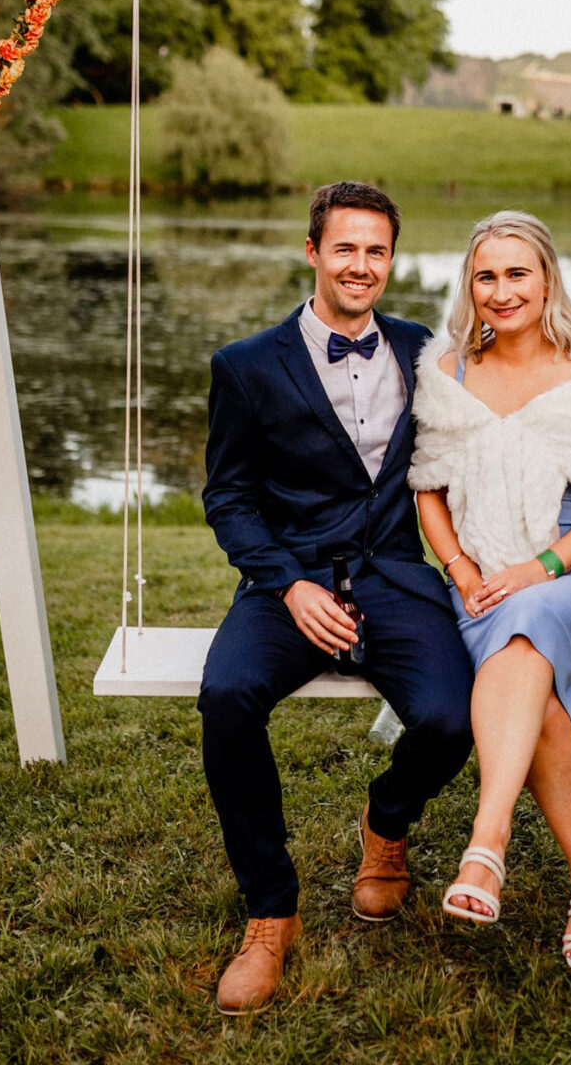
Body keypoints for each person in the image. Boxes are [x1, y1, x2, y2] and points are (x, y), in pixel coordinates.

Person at [200, 180, 474, 1016]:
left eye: (377, 250)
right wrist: (286, 584)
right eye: (345, 248)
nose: (361, 265)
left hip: (394, 578)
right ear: (313, 251)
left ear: (392, 260)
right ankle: (269, 911)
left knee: (452, 717)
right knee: (227, 696)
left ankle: (385, 826)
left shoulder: (427, 350)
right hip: (291, 581)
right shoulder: (245, 366)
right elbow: (229, 499)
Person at [409, 209, 571, 974]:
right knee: (526, 670)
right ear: (470, 287)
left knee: (532, 617)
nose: (503, 289)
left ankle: (488, 842)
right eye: (488, 275)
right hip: (480, 584)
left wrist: (540, 567)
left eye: (518, 273)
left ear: (547, 279)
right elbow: (429, 491)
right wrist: (463, 570)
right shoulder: (446, 374)